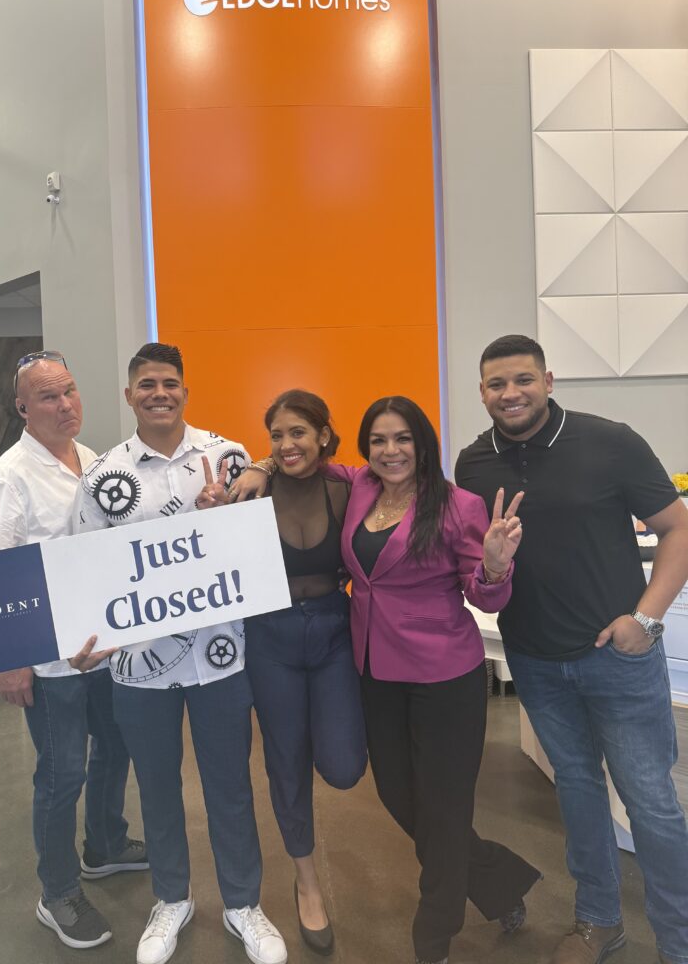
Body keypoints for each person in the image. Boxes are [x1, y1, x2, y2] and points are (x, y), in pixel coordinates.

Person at [234, 395, 541, 964]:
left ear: (423, 444)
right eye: (379, 440)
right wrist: (261, 464)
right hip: (374, 668)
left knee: (444, 808)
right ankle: (498, 880)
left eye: (403, 439)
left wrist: (496, 565)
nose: (390, 450)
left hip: (444, 674)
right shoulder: (359, 487)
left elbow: (485, 596)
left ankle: (433, 937)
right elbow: (298, 452)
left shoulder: (459, 505)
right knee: (400, 797)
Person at [455, 334, 688, 964]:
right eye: (497, 384)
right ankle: (599, 922)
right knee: (578, 792)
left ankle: (679, 941)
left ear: (549, 381)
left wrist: (646, 619)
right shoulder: (472, 465)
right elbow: (480, 561)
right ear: (482, 392)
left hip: (619, 657)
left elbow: (678, 528)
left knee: (650, 804)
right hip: (535, 660)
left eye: (523, 379)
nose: (511, 393)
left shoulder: (610, 442)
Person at [72, 342, 287, 964]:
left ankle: (243, 903)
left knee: (230, 785)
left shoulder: (230, 456)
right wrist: (83, 642)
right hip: (137, 666)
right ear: (129, 395)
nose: (159, 393)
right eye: (147, 384)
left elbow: (258, 551)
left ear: (186, 392)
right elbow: (87, 570)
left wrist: (228, 513)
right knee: (157, 787)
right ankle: (172, 898)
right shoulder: (103, 477)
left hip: (222, 656)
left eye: (169, 383)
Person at [0, 350, 147, 951]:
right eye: (48, 396)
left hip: (102, 648)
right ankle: (58, 891)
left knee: (114, 748)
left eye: (69, 390)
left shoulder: (94, 461)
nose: (65, 404)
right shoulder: (7, 479)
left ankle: (105, 844)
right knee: (62, 772)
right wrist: (9, 660)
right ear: (23, 408)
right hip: (49, 661)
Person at [237, 390, 367, 956]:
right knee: (285, 764)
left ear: (322, 435)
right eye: (277, 436)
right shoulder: (252, 492)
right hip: (271, 637)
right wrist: (259, 467)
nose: (287, 445)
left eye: (298, 433)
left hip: (334, 630)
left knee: (343, 766)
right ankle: (307, 882)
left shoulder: (348, 487)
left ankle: (318, 731)